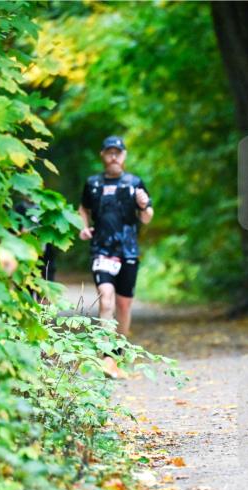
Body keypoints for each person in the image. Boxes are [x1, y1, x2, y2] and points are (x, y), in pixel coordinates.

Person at [78, 135, 154, 338]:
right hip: (101, 250)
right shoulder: (93, 183)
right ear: (102, 155)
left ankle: (119, 350)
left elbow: (147, 217)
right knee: (105, 300)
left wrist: (143, 205)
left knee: (124, 304)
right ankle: (107, 351)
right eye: (110, 153)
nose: (114, 157)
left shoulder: (134, 183)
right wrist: (83, 227)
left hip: (128, 250)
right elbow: (83, 208)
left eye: (117, 153)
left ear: (124, 155)